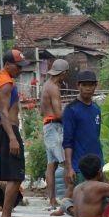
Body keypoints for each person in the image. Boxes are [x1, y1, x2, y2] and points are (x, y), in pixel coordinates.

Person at [0, 49, 31, 217]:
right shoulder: (5, 84)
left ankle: (7, 216)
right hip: (8, 131)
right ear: (7, 65)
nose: (20, 70)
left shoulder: (1, 78)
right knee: (16, 175)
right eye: (18, 66)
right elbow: (4, 112)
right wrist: (13, 138)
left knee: (13, 175)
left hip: (4, 130)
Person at [57, 70, 103, 215]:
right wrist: (69, 167)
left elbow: (96, 136)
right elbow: (68, 141)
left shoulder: (96, 109)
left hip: (97, 162)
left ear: (95, 86)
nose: (88, 88)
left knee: (97, 199)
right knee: (82, 199)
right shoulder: (71, 110)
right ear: (78, 86)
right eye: (85, 85)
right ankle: (66, 209)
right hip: (79, 164)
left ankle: (64, 208)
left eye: (91, 85)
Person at [40, 58, 69, 209]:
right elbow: (58, 114)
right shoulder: (55, 88)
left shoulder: (46, 85)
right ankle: (67, 200)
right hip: (55, 128)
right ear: (63, 73)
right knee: (66, 163)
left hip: (47, 126)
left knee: (51, 165)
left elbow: (40, 111)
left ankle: (52, 201)